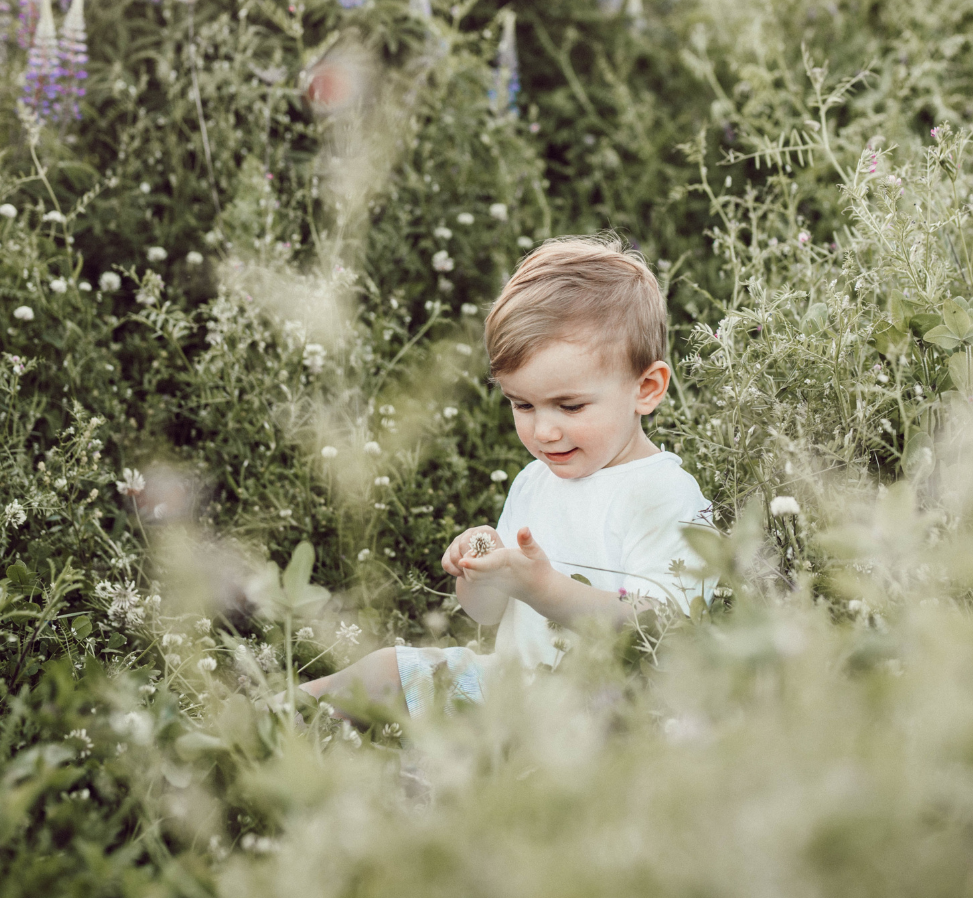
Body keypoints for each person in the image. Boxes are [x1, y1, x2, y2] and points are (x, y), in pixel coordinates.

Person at [299, 234, 715, 719]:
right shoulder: (535, 481)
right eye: (522, 404)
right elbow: (487, 615)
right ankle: (246, 728)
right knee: (383, 671)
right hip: (514, 688)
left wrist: (543, 588)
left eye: (570, 405)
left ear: (647, 388)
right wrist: (480, 572)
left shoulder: (662, 494)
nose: (544, 431)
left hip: (611, 710)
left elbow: (666, 627)